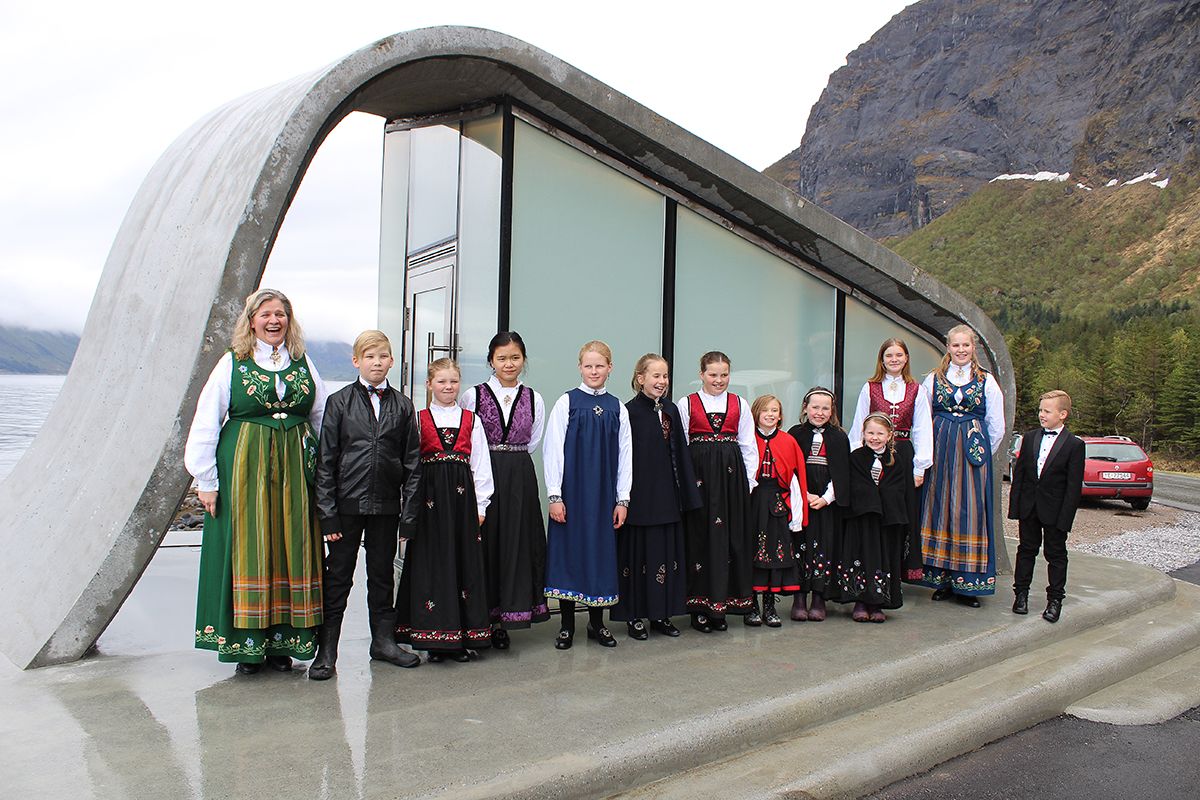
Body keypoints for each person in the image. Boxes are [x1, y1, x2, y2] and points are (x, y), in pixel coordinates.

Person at [185, 288, 328, 674]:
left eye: (280, 314)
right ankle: (246, 648)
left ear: (289, 320)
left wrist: (327, 468)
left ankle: (283, 644)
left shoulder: (302, 361)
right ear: (251, 321)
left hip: (296, 468)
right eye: (265, 314)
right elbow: (207, 419)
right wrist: (206, 479)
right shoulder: (233, 362)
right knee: (250, 547)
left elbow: (321, 416)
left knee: (291, 547)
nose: (273, 320)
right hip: (245, 468)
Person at [309, 330, 421, 680]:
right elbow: (326, 462)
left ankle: (383, 642)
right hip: (346, 506)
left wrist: (409, 517)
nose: (377, 362)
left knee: (382, 575)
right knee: (338, 577)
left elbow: (413, 465)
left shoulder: (403, 406)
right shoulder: (339, 402)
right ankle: (327, 650)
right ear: (356, 361)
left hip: (386, 506)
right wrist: (328, 516)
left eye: (383, 356)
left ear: (392, 361)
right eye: (369, 356)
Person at [393, 359, 494, 663]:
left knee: (462, 563)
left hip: (462, 503)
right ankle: (433, 639)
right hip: (430, 503)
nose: (448, 387)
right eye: (441, 382)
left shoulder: (471, 420)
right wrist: (408, 508)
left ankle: (461, 637)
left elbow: (481, 466)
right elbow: (409, 467)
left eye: (453, 382)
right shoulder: (418, 419)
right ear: (429, 384)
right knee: (432, 565)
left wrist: (481, 505)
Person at [460, 332, 550, 649]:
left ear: (523, 360)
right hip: (483, 473)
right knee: (485, 542)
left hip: (519, 476)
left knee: (515, 543)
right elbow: (466, 437)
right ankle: (479, 617)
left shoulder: (534, 398)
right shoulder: (473, 396)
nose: (509, 364)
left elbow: (533, 441)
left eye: (515, 357)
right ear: (491, 361)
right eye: (502, 358)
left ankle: (504, 620)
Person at [543, 340, 633, 650]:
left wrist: (622, 499)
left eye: (600, 366)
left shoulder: (617, 408)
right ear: (580, 368)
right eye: (588, 366)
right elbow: (553, 450)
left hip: (604, 495)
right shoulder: (567, 402)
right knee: (569, 555)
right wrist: (554, 495)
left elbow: (626, 456)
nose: (594, 371)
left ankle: (597, 623)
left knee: (599, 555)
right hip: (571, 493)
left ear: (610, 368)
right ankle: (567, 626)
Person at [611, 354, 701, 640]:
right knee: (637, 558)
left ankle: (661, 614)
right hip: (639, 498)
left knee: (665, 557)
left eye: (665, 376)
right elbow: (622, 457)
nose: (662, 381)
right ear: (640, 378)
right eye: (656, 376)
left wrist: (687, 495)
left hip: (667, 497)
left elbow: (681, 453)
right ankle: (634, 616)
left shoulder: (671, 410)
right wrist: (621, 498)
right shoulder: (628, 412)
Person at [918, 324, 1006, 606]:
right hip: (940, 451)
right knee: (939, 508)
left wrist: (980, 451)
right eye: (955, 345)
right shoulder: (933, 379)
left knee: (968, 511)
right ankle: (941, 579)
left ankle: (968, 584)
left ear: (973, 347)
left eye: (965, 345)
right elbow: (922, 418)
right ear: (948, 347)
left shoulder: (986, 381)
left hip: (971, 455)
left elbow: (997, 426)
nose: (961, 350)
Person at [678, 352, 758, 631]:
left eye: (724, 375)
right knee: (700, 538)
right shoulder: (687, 403)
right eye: (713, 374)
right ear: (701, 374)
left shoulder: (740, 403)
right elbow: (681, 446)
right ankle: (698, 608)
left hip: (731, 480)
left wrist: (748, 483)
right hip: (700, 480)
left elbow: (748, 445)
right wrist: (685, 484)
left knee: (729, 540)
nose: (719, 380)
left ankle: (721, 606)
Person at [849, 337, 933, 582]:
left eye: (898, 355)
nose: (894, 359)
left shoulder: (917, 389)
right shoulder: (870, 387)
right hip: (872, 455)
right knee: (874, 510)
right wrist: (857, 461)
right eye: (889, 355)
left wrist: (920, 467)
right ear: (882, 360)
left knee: (901, 513)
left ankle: (896, 572)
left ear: (906, 358)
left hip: (903, 456)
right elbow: (859, 425)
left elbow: (923, 429)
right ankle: (871, 569)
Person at [1007, 390, 1085, 623]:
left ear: (1063, 414)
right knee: (1026, 551)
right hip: (1029, 507)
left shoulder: (1074, 445)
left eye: (1047, 411)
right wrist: (1015, 507)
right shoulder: (1030, 438)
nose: (1042, 415)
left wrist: (1065, 518)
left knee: (1056, 555)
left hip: (1055, 510)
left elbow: (1073, 487)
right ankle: (1021, 595)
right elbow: (1020, 475)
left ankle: (1055, 600)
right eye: (1040, 410)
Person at [840, 413, 916, 622]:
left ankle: (878, 603)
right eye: (870, 433)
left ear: (889, 435)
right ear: (863, 434)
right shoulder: (856, 457)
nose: (874, 438)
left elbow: (898, 488)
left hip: (886, 520)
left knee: (883, 557)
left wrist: (882, 495)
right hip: (863, 517)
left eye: (880, 433)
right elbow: (856, 485)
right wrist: (873, 497)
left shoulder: (896, 460)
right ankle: (860, 601)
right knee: (861, 556)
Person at [787, 387, 850, 622]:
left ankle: (819, 598)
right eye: (815, 407)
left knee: (824, 547)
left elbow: (842, 472)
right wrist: (804, 495)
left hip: (826, 504)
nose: (819, 412)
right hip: (801, 500)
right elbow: (790, 468)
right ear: (805, 408)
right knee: (800, 546)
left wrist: (825, 498)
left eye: (825, 408)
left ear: (832, 411)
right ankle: (799, 598)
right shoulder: (795, 434)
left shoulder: (839, 437)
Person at [748, 394, 808, 628]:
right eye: (765, 410)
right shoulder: (747, 438)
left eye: (775, 411)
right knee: (752, 551)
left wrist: (797, 514)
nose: (770, 415)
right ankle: (751, 606)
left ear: (780, 415)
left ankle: (770, 606)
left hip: (777, 504)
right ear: (756, 413)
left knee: (774, 553)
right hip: (753, 501)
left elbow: (796, 479)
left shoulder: (787, 441)